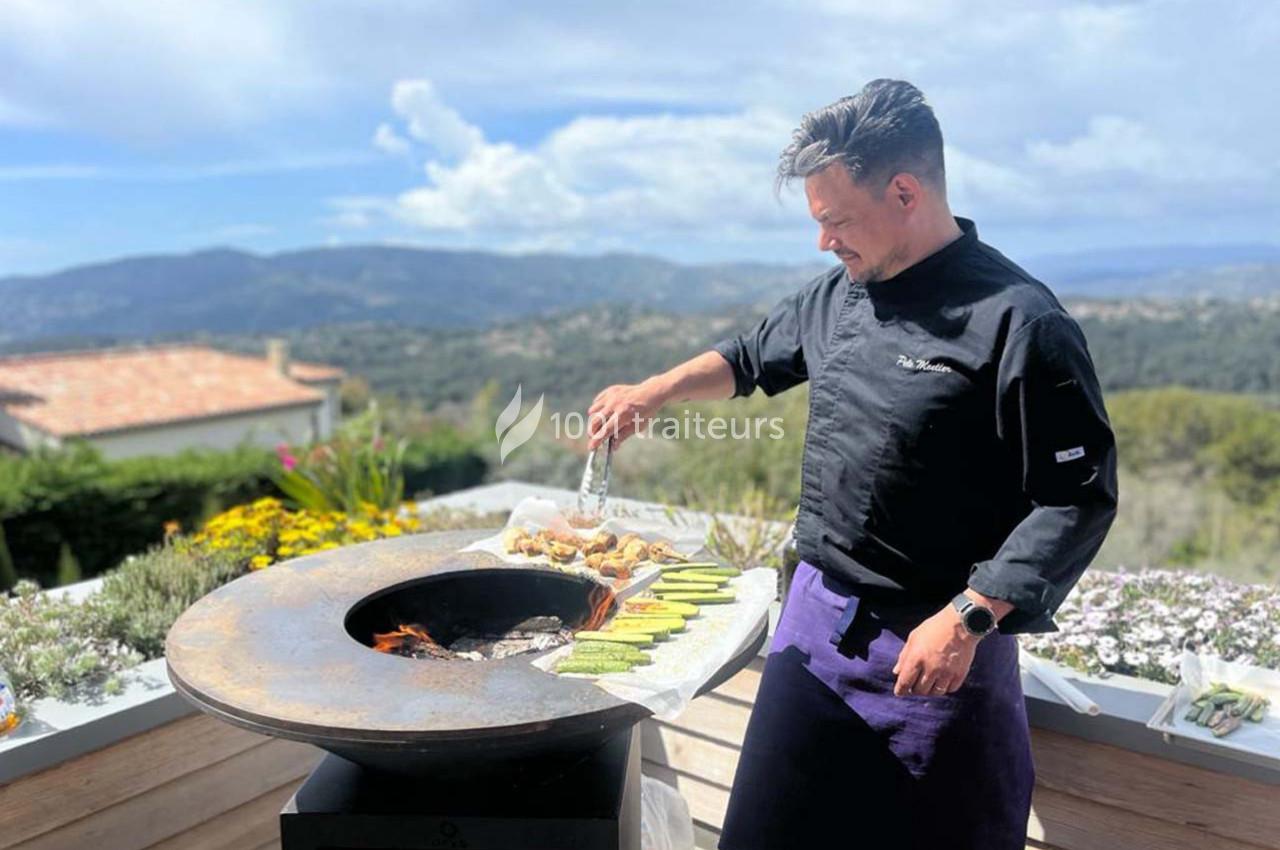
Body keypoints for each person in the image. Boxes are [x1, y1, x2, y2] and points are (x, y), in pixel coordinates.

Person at [586, 79, 1118, 849]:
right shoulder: (839, 294)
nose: (823, 241)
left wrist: (971, 618)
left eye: (835, 219)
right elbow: (747, 358)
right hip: (814, 619)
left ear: (905, 191)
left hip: (938, 645)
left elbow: (1076, 498)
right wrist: (652, 391)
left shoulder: (1022, 321)